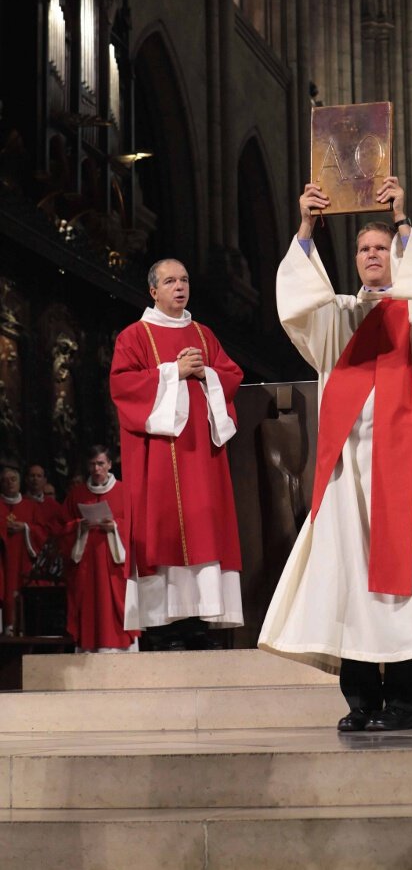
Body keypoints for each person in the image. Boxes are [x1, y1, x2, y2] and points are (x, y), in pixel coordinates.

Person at [259, 178, 412, 732]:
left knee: (406, 585)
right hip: (348, 474)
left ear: (395, 258)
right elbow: (298, 304)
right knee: (349, 577)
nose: (373, 255)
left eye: (382, 249)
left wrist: (401, 219)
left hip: (406, 475)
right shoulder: (337, 318)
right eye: (364, 249)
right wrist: (305, 227)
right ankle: (360, 702)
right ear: (352, 260)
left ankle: (403, 702)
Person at [110, 258, 244, 639]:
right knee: (162, 528)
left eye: (184, 279)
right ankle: (162, 624)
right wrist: (173, 373)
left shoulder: (204, 334)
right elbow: (123, 387)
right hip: (158, 458)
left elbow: (231, 375)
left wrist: (206, 374)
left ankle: (205, 619)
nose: (179, 286)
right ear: (153, 291)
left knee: (205, 524)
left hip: (202, 457)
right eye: (170, 281)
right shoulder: (134, 336)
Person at [61, 444, 139, 653]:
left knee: (115, 605)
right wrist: (79, 527)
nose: (96, 469)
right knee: (89, 606)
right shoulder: (77, 495)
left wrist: (115, 526)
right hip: (87, 565)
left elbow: (136, 526)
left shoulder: (124, 492)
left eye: (101, 464)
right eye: (92, 464)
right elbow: (62, 528)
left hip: (114, 565)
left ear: (110, 465)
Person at [0, 465, 48, 634]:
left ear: (20, 482)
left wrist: (26, 528)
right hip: (3, 561)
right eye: (5, 481)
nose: (9, 483)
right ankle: (6, 627)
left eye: (13, 479)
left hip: (25, 561)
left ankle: (23, 628)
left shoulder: (31, 506)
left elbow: (43, 533)